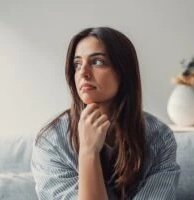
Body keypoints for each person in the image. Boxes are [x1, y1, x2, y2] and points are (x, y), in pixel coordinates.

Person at [31, 27, 180, 200]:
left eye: (97, 62)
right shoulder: (51, 140)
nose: (83, 73)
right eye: (77, 64)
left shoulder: (159, 138)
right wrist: (88, 152)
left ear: (123, 71)